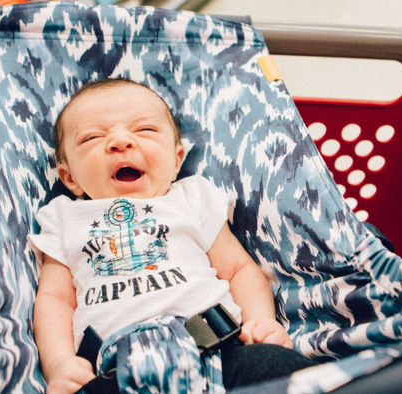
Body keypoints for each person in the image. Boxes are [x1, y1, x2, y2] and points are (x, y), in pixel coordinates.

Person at [29, 79, 315, 393]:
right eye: (93, 137)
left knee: (280, 369)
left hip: (219, 350)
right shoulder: (64, 217)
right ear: (70, 177)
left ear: (177, 160)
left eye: (145, 131)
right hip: (118, 371)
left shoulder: (192, 197)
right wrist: (59, 364)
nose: (120, 141)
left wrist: (261, 322)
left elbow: (239, 270)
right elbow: (55, 300)